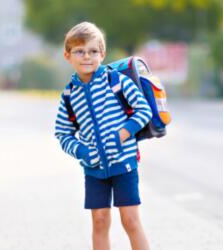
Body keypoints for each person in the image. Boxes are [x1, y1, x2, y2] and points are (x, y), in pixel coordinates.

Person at [54, 22, 152, 250]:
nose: (87, 57)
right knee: (99, 221)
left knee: (130, 220)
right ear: (68, 56)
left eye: (93, 51)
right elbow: (62, 132)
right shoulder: (70, 94)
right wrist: (81, 151)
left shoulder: (115, 81)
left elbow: (143, 110)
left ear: (102, 54)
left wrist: (122, 134)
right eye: (79, 51)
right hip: (94, 169)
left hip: (124, 163)